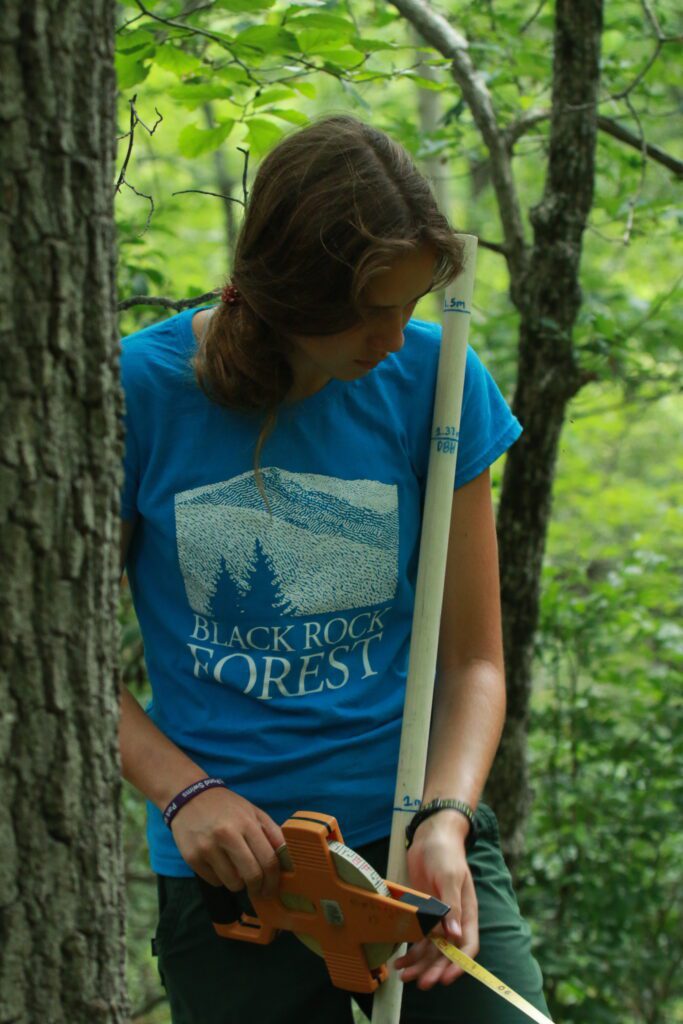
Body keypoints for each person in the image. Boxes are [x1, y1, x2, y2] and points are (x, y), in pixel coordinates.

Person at [119, 114, 550, 1024]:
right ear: (288, 292)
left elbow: (473, 663)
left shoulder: (441, 378)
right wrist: (183, 792)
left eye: (409, 305)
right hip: (234, 867)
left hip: (410, 839)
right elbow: (48, 654)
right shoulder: (137, 393)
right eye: (368, 311)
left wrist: (444, 815)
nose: (393, 338)